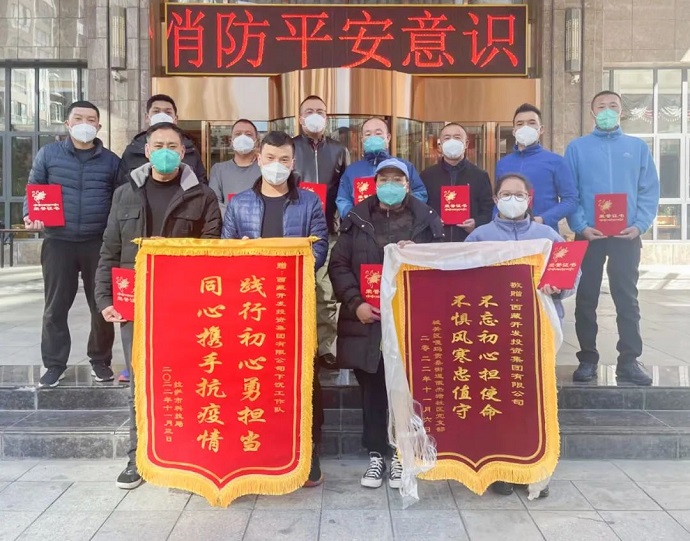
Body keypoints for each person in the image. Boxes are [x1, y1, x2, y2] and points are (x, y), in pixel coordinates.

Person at [95, 122, 221, 490]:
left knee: (190, 379)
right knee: (141, 381)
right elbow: (109, 250)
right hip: (135, 304)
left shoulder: (202, 196)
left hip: (185, 307)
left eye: (173, 146)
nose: (166, 151)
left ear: (183, 153)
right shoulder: (125, 194)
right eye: (159, 145)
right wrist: (104, 299)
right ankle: (138, 456)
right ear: (148, 152)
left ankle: (187, 456)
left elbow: (211, 253)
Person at [329, 157, 444, 489]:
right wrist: (356, 304)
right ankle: (376, 454)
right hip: (368, 321)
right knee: (373, 391)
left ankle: (401, 455)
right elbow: (339, 265)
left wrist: (417, 254)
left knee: (407, 390)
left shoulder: (426, 220)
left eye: (397, 180)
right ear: (374, 183)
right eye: (384, 180)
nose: (390, 185)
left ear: (408, 185)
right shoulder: (357, 219)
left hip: (410, 320)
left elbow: (442, 262)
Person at [222, 130, 329, 487]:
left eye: (284, 159)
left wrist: (288, 268)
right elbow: (226, 250)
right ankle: (258, 449)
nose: (277, 165)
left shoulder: (309, 202)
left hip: (294, 304)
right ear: (258, 159)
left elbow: (319, 248)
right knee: (256, 377)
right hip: (251, 308)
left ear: (293, 162)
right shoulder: (239, 204)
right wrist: (243, 254)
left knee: (303, 377)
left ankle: (309, 451)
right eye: (270, 158)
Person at [466, 172, 578, 498]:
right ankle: (501, 468)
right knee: (496, 398)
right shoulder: (479, 237)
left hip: (538, 330)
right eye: (506, 194)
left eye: (519, 194)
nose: (512, 200)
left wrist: (559, 287)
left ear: (529, 199)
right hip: (493, 333)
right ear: (496, 199)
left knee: (535, 402)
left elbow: (572, 275)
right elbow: (461, 278)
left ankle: (536, 469)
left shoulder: (548, 236)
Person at [23, 100, 119, 388]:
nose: (84, 124)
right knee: (55, 307)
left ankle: (100, 360)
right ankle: (54, 364)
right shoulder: (48, 154)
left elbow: (120, 199)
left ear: (99, 126)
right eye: (78, 118)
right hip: (58, 241)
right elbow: (34, 187)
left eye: (91, 119)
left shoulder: (111, 161)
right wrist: (30, 214)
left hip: (97, 243)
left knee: (101, 305)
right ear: (67, 123)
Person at [566, 91, 660, 386]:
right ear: (592, 112)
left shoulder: (637, 147)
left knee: (627, 298)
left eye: (613, 106)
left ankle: (629, 360)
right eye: (601, 106)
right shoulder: (577, 148)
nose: (607, 110)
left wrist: (640, 224)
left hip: (626, 236)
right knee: (586, 299)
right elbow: (570, 191)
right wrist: (580, 225)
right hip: (589, 236)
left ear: (621, 111)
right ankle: (587, 359)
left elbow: (648, 189)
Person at [293, 95, 350, 370]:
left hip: (327, 230)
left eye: (320, 111)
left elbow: (345, 190)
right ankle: (299, 343)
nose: (314, 116)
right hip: (294, 231)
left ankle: (326, 347)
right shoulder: (290, 147)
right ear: (300, 118)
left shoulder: (339, 150)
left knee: (325, 293)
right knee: (295, 291)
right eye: (309, 111)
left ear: (327, 118)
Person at [495, 103, 578, 232]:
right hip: (507, 233)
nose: (525, 127)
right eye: (520, 124)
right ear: (514, 131)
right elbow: (497, 200)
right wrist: (495, 222)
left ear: (541, 129)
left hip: (543, 232)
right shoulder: (503, 164)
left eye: (531, 123)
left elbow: (571, 200)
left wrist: (543, 219)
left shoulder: (556, 162)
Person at [336, 117, 428, 219]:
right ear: (362, 139)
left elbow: (420, 193)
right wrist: (354, 219)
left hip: (400, 225)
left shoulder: (404, 167)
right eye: (368, 134)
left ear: (388, 137)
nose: (373, 137)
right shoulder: (352, 170)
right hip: (362, 226)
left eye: (378, 133)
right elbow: (343, 200)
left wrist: (405, 216)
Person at [421, 123, 494, 241]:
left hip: (469, 241)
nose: (452, 141)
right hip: (436, 242)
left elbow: (488, 209)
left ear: (466, 144)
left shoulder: (480, 175)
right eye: (447, 138)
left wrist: (477, 223)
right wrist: (432, 220)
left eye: (457, 137)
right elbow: (421, 208)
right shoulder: (427, 175)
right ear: (440, 145)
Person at [116, 94, 207, 186]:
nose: (162, 115)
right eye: (156, 111)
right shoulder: (133, 151)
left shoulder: (190, 150)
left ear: (175, 119)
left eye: (168, 112)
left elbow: (201, 182)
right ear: (147, 117)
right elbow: (122, 185)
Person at [209, 118, 261, 214]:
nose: (243, 137)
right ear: (231, 140)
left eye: (248, 134)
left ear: (256, 141)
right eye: (238, 134)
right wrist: (232, 219)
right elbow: (214, 202)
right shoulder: (218, 170)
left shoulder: (264, 169)